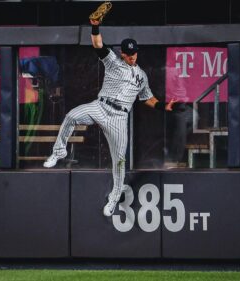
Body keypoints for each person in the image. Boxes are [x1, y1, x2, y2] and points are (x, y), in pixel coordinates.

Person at [43, 18, 177, 217]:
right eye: (129, 54)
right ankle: (59, 151)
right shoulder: (113, 62)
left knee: (119, 161)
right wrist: (95, 25)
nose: (133, 57)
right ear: (123, 53)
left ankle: (114, 197)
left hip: (119, 118)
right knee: (71, 116)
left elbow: (147, 98)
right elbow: (97, 44)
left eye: (135, 53)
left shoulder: (141, 75)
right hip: (100, 106)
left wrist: (163, 106)